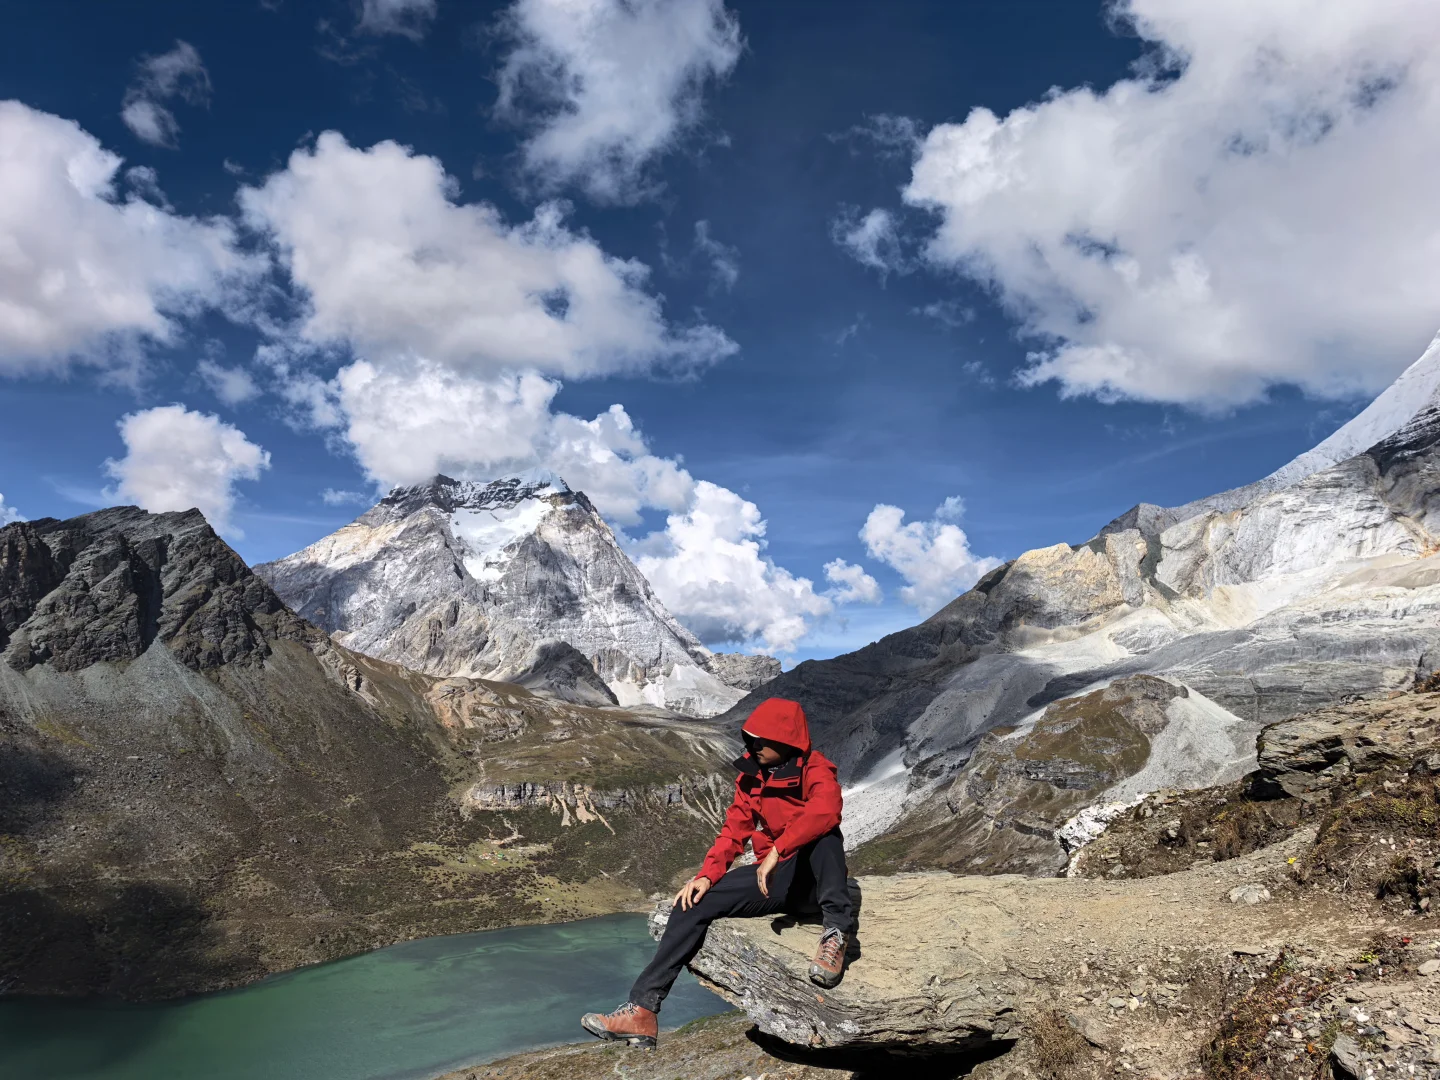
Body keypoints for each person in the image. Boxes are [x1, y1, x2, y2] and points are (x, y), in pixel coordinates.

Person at [580, 697, 856, 1049]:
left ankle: (836, 931)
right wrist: (708, 875)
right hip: (778, 880)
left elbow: (827, 808)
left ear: (785, 740)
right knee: (692, 903)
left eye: (761, 740)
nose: (752, 746)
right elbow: (733, 832)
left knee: (826, 836)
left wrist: (778, 848)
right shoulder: (752, 777)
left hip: (814, 879)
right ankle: (642, 1011)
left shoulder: (815, 769)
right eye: (750, 739)